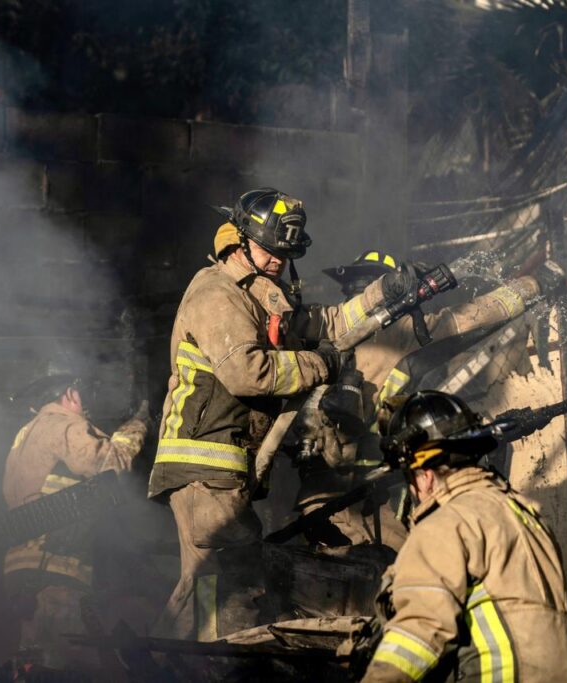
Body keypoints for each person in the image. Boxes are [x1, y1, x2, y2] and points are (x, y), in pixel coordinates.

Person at [147, 188, 416, 641]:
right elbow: (246, 373)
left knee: (207, 579)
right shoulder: (218, 294)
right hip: (205, 461)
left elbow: (328, 323)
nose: (278, 260)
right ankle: (214, 666)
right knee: (231, 582)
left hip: (223, 466)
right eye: (271, 250)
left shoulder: (256, 293)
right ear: (240, 240)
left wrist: (381, 293)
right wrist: (321, 364)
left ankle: (160, 659)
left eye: (285, 253)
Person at [296, 250, 567, 550]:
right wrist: (537, 284)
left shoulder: (324, 333)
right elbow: (474, 316)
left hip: (322, 495)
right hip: (350, 502)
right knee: (404, 573)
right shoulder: (398, 332)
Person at [359, 389, 567, 682]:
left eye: (407, 478)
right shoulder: (523, 514)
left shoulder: (446, 524)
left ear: (423, 474)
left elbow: (419, 631)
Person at [3, 373, 148, 670]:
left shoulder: (25, 435)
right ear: (70, 394)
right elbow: (112, 465)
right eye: (83, 396)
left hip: (23, 568)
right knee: (64, 665)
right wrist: (139, 424)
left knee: (33, 662)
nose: (87, 407)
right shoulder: (64, 424)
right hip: (57, 567)